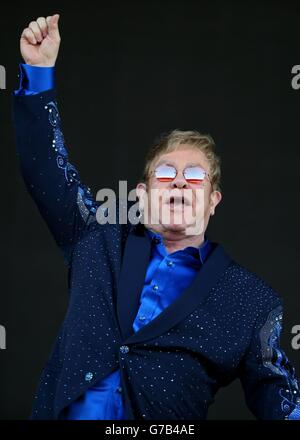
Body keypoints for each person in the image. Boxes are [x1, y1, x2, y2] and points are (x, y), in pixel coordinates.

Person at [12, 14, 300, 420]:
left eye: (195, 176)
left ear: (213, 200)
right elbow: (44, 165)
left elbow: (282, 400)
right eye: (166, 174)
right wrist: (38, 72)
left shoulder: (251, 300)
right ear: (143, 195)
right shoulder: (95, 239)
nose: (180, 183)